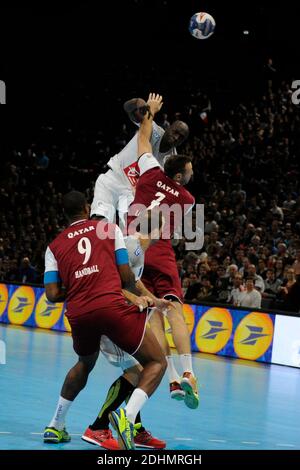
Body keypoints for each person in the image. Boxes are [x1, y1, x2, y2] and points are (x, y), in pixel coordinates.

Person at [43, 191, 166, 450]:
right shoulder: (109, 229)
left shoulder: (53, 246)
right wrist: (136, 296)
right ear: (87, 208)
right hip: (111, 308)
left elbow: (52, 294)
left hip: (78, 312)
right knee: (154, 363)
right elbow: (125, 277)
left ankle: (56, 425)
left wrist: (79, 286)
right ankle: (118, 421)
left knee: (84, 364)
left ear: (64, 215)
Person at [127, 93, 199, 409]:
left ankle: (169, 377)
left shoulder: (150, 171)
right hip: (159, 248)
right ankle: (188, 373)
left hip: (131, 247)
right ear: (181, 175)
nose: (193, 175)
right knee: (173, 309)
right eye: (191, 171)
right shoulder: (186, 199)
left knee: (153, 312)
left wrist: (150, 113)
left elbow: (143, 137)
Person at [83, 209, 171, 450]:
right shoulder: (132, 246)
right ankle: (98, 427)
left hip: (119, 316)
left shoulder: (137, 249)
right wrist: (133, 298)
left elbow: (133, 279)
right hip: (111, 317)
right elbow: (108, 281)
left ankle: (136, 429)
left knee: (142, 369)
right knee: (137, 371)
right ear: (157, 229)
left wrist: (154, 298)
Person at [91, 94, 189, 225]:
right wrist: (144, 107)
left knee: (121, 233)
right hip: (114, 177)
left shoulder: (172, 162)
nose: (176, 137)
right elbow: (129, 107)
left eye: (181, 137)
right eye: (176, 132)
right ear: (169, 127)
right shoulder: (151, 127)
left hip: (132, 195)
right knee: (97, 223)